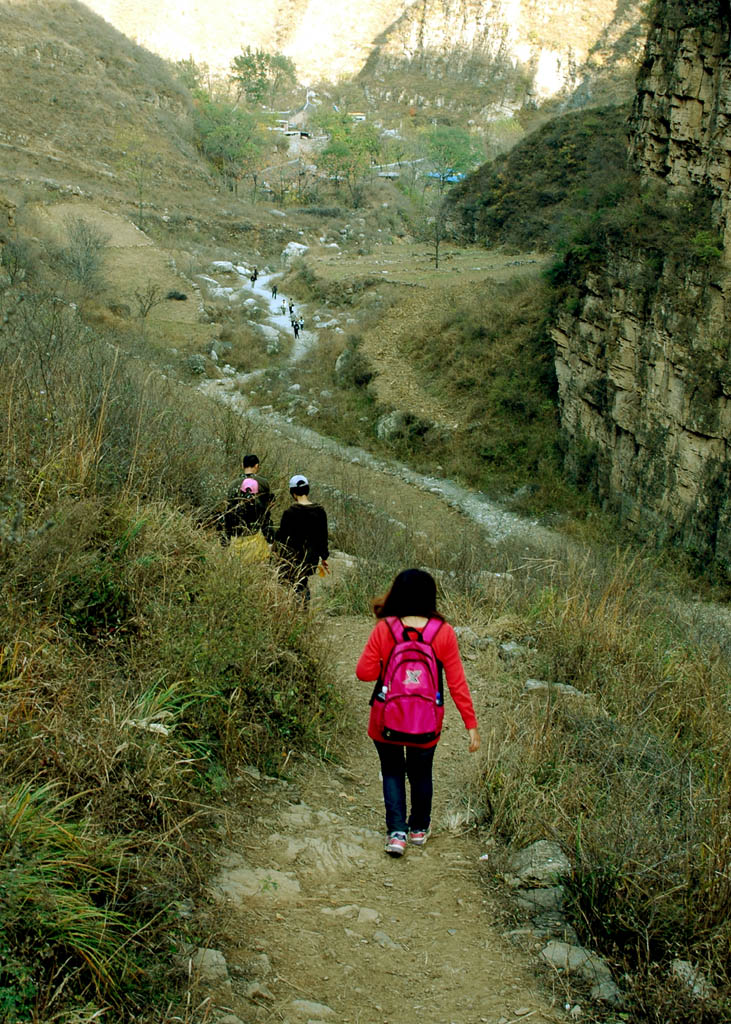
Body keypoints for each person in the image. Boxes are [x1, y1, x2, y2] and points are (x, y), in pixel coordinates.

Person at [355, 569, 481, 857]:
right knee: (422, 773)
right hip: (427, 720)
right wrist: (470, 725)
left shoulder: (385, 628)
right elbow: (456, 682)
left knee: (392, 771)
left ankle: (396, 833)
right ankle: (419, 829)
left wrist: (385, 666)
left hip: (386, 717)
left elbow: (363, 673)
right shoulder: (443, 632)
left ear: (397, 593)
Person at [273, 474, 329, 602]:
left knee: (289, 584)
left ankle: (293, 611)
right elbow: (323, 537)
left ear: (292, 493)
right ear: (307, 490)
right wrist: (324, 557)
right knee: (302, 582)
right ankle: (302, 611)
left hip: (291, 557)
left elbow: (281, 537)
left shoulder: (289, 513)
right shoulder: (320, 512)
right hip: (310, 558)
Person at [223, 453, 275, 544]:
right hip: (257, 531)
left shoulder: (233, 484)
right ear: (256, 466)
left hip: (237, 532)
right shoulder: (263, 483)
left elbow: (229, 509)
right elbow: (267, 507)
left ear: (242, 465)